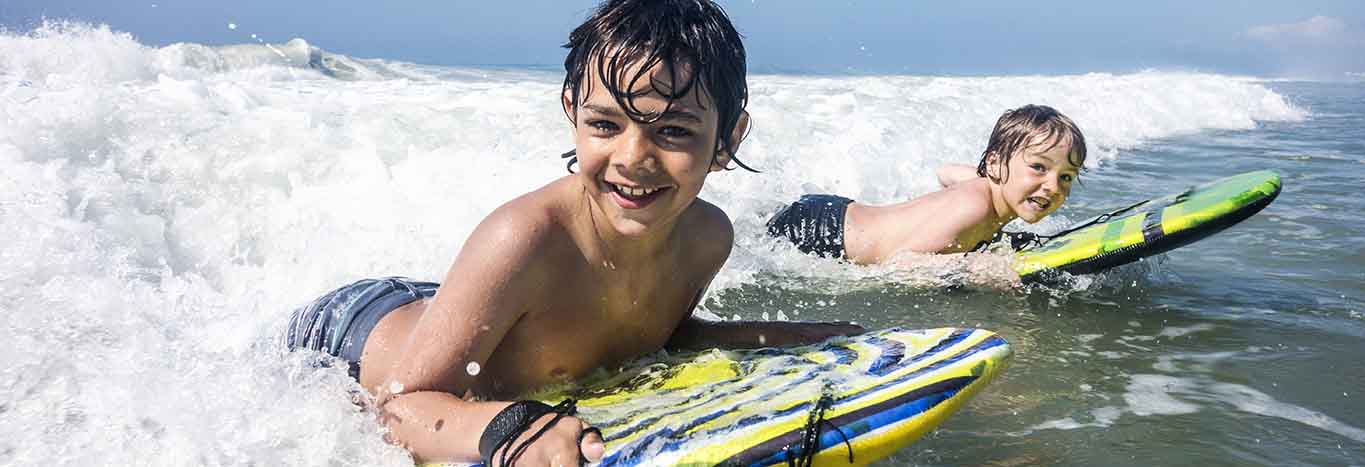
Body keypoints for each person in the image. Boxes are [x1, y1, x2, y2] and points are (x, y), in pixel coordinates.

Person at [284, 1, 863, 465]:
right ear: (572, 112)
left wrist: (780, 339)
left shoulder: (708, 236)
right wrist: (510, 428)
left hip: (473, 309)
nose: (632, 158)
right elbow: (398, 409)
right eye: (605, 124)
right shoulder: (524, 237)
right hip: (347, 332)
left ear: (728, 139)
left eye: (675, 131)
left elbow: (652, 340)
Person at [766, 105, 1088, 285]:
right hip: (820, 232)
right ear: (994, 162)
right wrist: (977, 265)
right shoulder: (974, 207)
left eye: (1066, 177)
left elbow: (945, 172)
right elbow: (901, 263)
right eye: (1038, 167)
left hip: (835, 210)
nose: (1052, 186)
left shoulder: (987, 190)